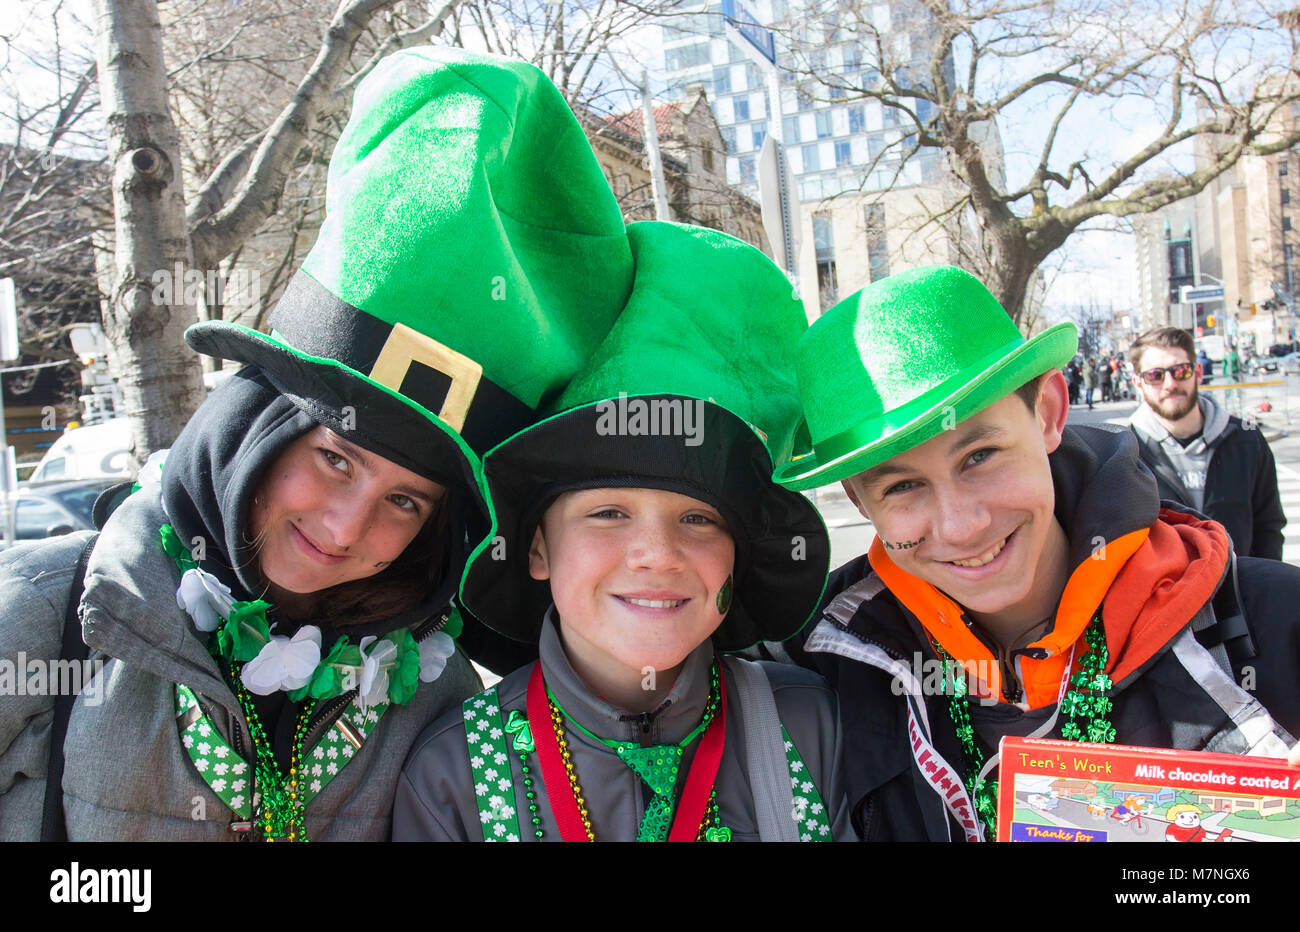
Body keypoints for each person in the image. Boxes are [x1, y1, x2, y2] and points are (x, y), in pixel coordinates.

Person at [0, 47, 641, 841]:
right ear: (256, 426)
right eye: (335, 458)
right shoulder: (47, 616)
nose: (344, 529)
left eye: (405, 500)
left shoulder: (431, 693)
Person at [768, 265, 1299, 842]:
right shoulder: (820, 662)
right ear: (858, 500)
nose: (963, 526)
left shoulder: (1276, 626)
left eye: (980, 456)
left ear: (1047, 413)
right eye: (900, 487)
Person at [394, 222, 853, 842]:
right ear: (536, 546)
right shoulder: (453, 778)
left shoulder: (814, 726)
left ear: (738, 558)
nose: (657, 556)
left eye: (699, 518)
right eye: (608, 513)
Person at [1128, 327, 1285, 561]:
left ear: (1198, 372)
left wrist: (1259, 590)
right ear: (1138, 383)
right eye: (1155, 375)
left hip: (1240, 592)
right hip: (1166, 596)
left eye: (1180, 370)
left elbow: (1269, 528)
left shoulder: (1247, 440)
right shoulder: (1125, 454)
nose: (1170, 384)